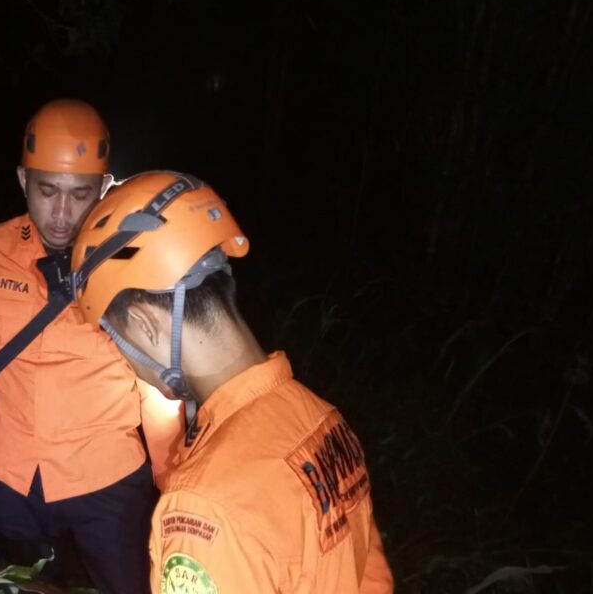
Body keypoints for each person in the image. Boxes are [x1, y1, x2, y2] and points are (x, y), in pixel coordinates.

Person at [0, 100, 182, 593]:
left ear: (104, 188)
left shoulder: (137, 264)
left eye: (80, 195)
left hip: (109, 484)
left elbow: (160, 388)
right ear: (22, 180)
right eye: (47, 191)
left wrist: (175, 487)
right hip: (9, 482)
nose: (62, 214)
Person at [71, 171, 394, 593]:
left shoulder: (203, 511)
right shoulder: (322, 419)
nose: (126, 362)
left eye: (115, 340)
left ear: (145, 325)